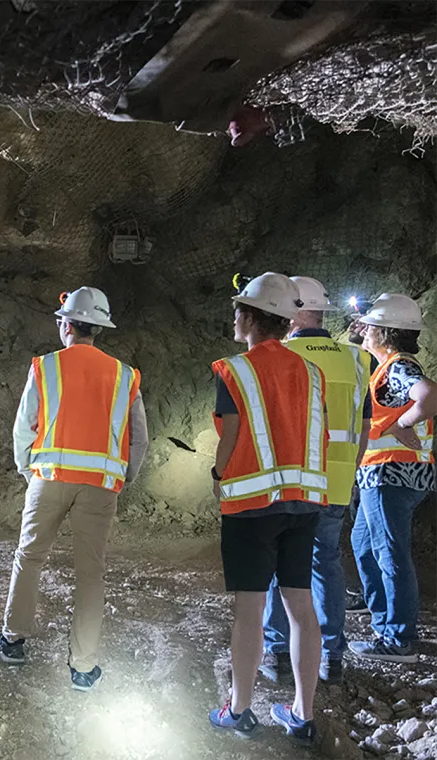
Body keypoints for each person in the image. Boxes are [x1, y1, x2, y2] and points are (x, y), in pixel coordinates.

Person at [0, 286, 149, 692]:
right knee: (91, 574)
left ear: (66, 325)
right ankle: (84, 668)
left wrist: (26, 469)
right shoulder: (125, 376)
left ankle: (13, 640)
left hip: (49, 478)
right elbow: (139, 439)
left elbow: (25, 426)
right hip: (101, 486)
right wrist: (123, 478)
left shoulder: (46, 367)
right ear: (98, 329)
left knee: (30, 557)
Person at [207, 272, 328, 746]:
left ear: (253, 318)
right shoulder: (309, 371)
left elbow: (232, 432)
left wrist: (218, 476)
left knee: (250, 609)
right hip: (303, 503)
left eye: (240, 309)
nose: (235, 317)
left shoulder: (234, 370)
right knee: (300, 604)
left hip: (253, 505)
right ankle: (303, 713)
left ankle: (238, 710)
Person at [258, 277, 371, 685]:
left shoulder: (281, 354)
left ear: (294, 310)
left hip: (290, 480)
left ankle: (277, 652)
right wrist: (350, 471)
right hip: (337, 481)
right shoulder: (357, 360)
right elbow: (364, 425)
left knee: (279, 563)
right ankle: (331, 657)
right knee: (326, 563)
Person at [349, 293, 435, 663]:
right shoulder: (387, 367)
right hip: (385, 471)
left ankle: (398, 639)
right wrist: (356, 337)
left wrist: (401, 424)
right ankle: (384, 618)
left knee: (388, 552)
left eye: (370, 326)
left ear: (384, 332)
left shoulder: (399, 367)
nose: (364, 331)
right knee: (365, 544)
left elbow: (429, 396)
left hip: (392, 471)